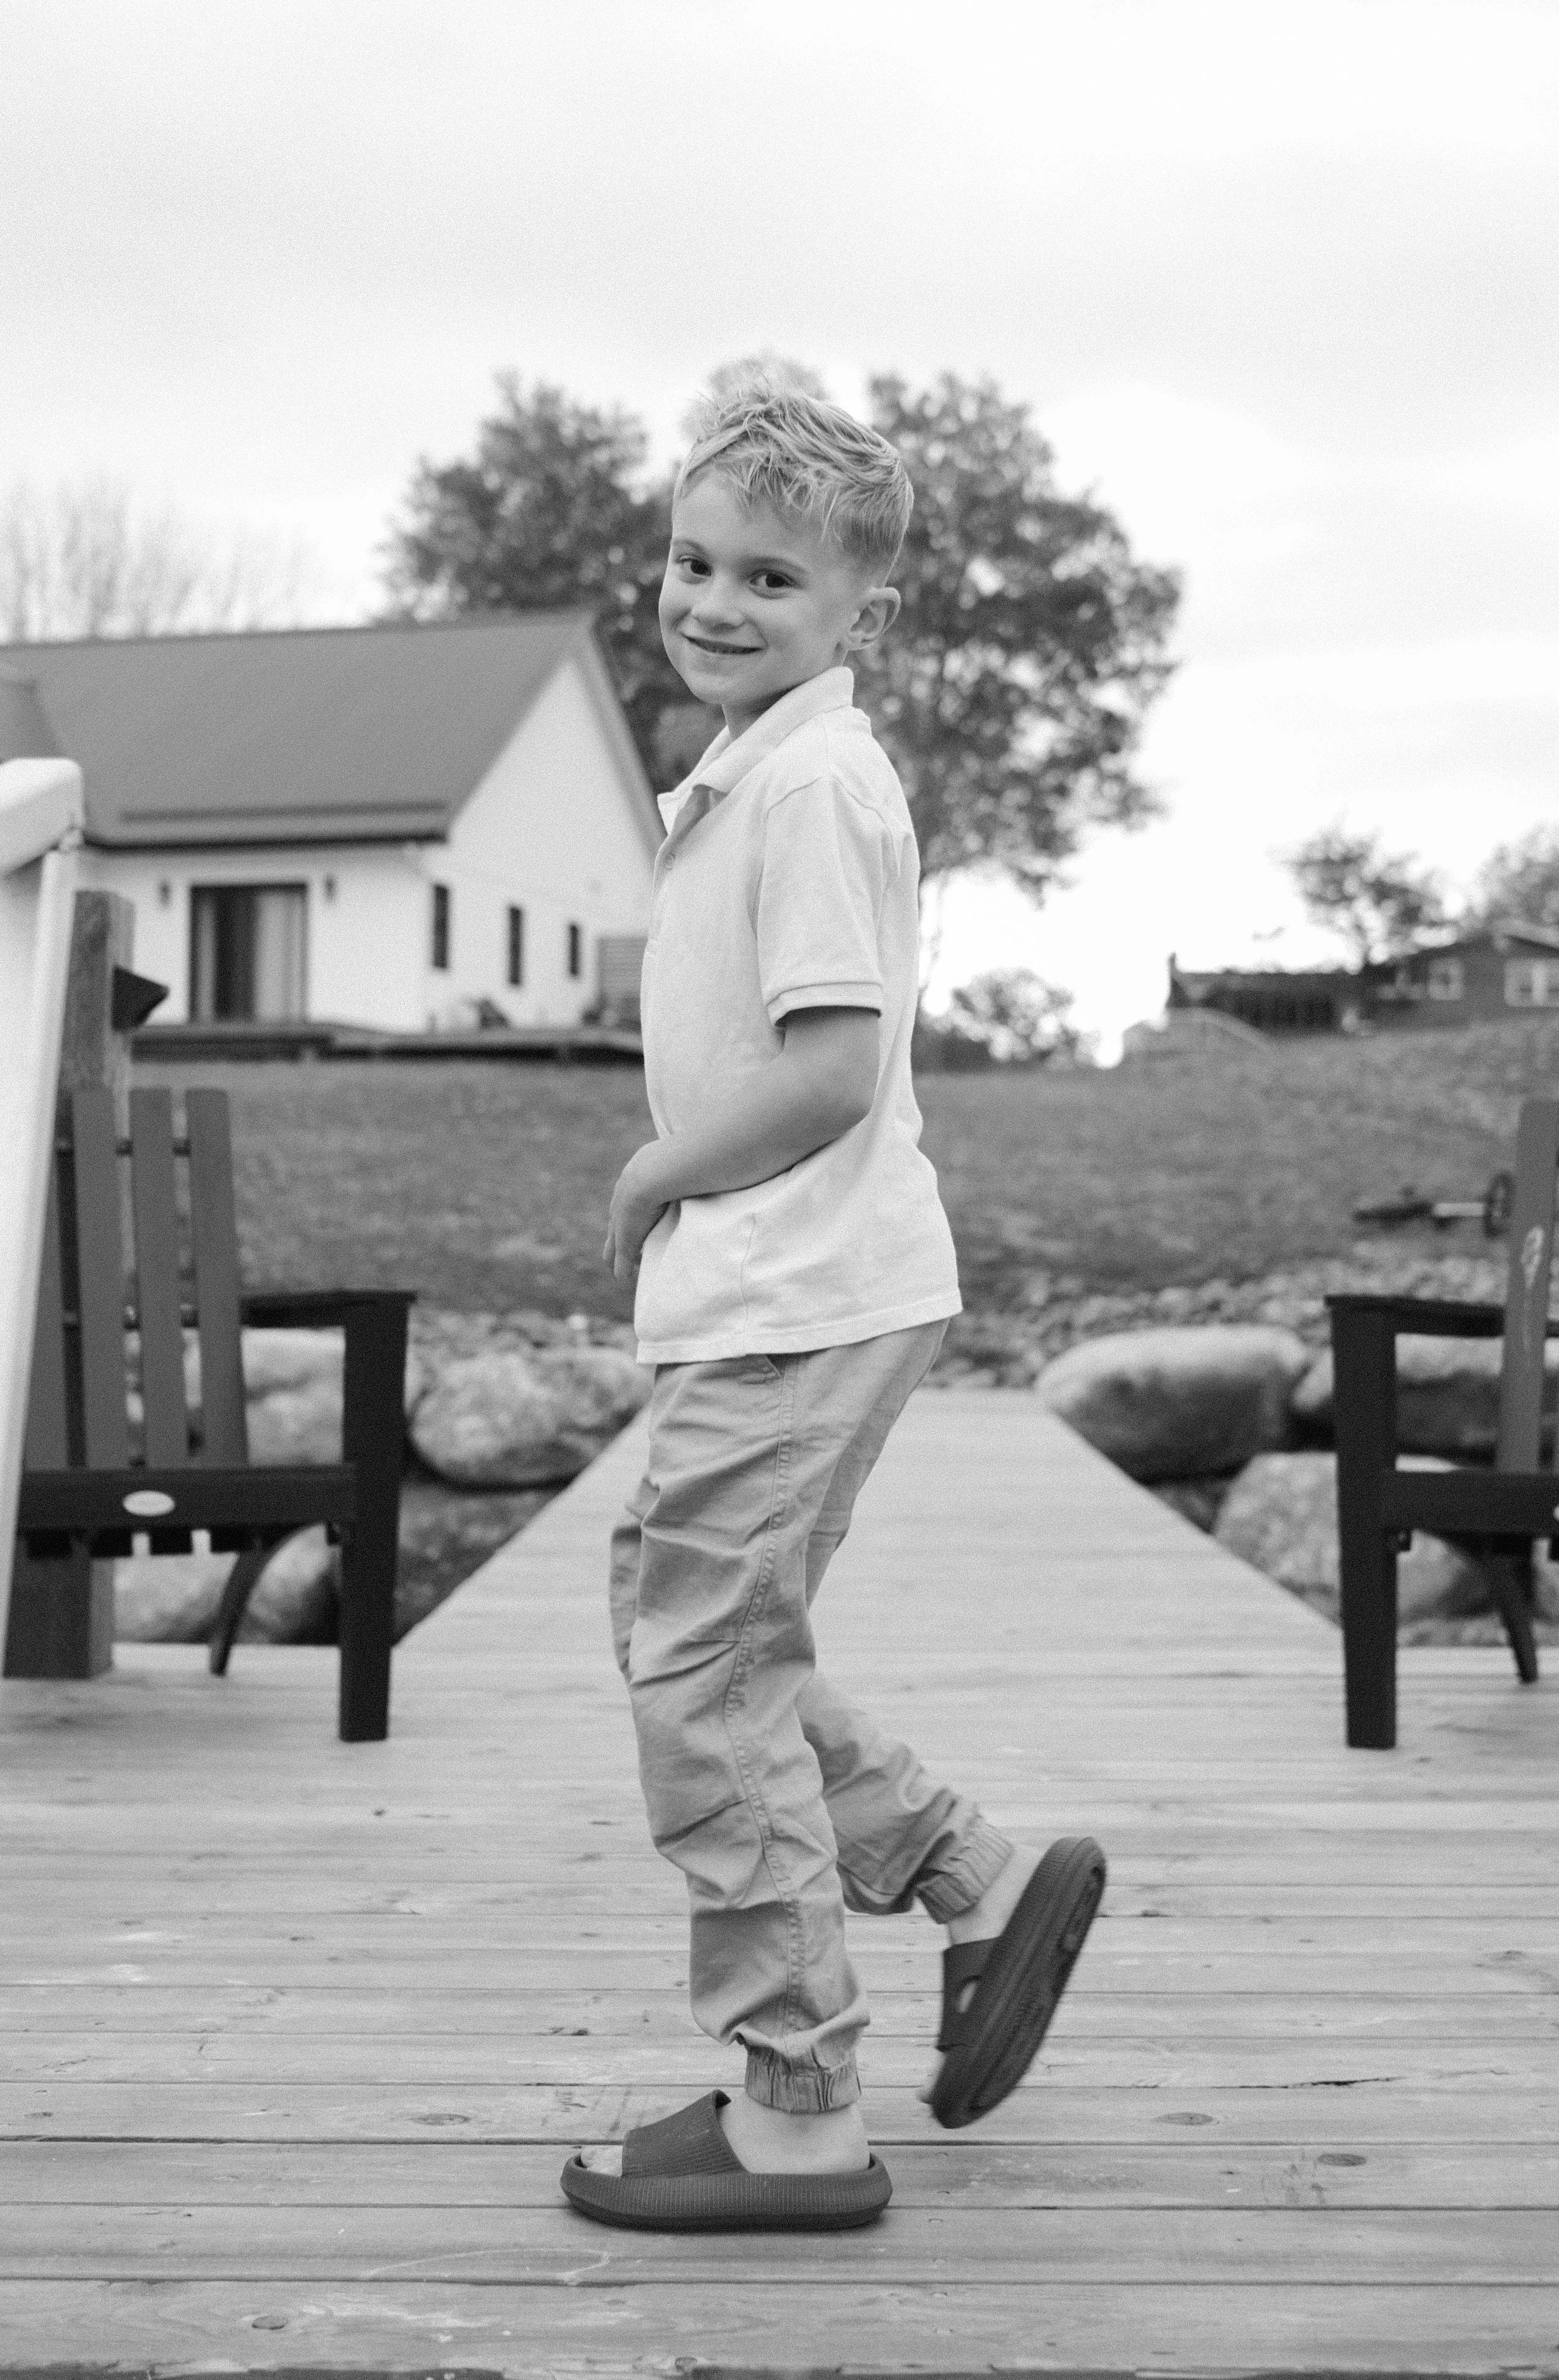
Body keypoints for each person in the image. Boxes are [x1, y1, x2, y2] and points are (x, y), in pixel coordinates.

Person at [561, 380, 1105, 2233]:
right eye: (692, 558)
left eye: (767, 577)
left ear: (857, 621)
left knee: (698, 1668)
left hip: (801, 1292)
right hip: (782, 1296)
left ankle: (797, 2096)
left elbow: (829, 1073)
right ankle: (967, 1868)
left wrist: (653, 1173)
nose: (712, 599)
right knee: (699, 1630)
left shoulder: (809, 782)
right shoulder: (759, 768)